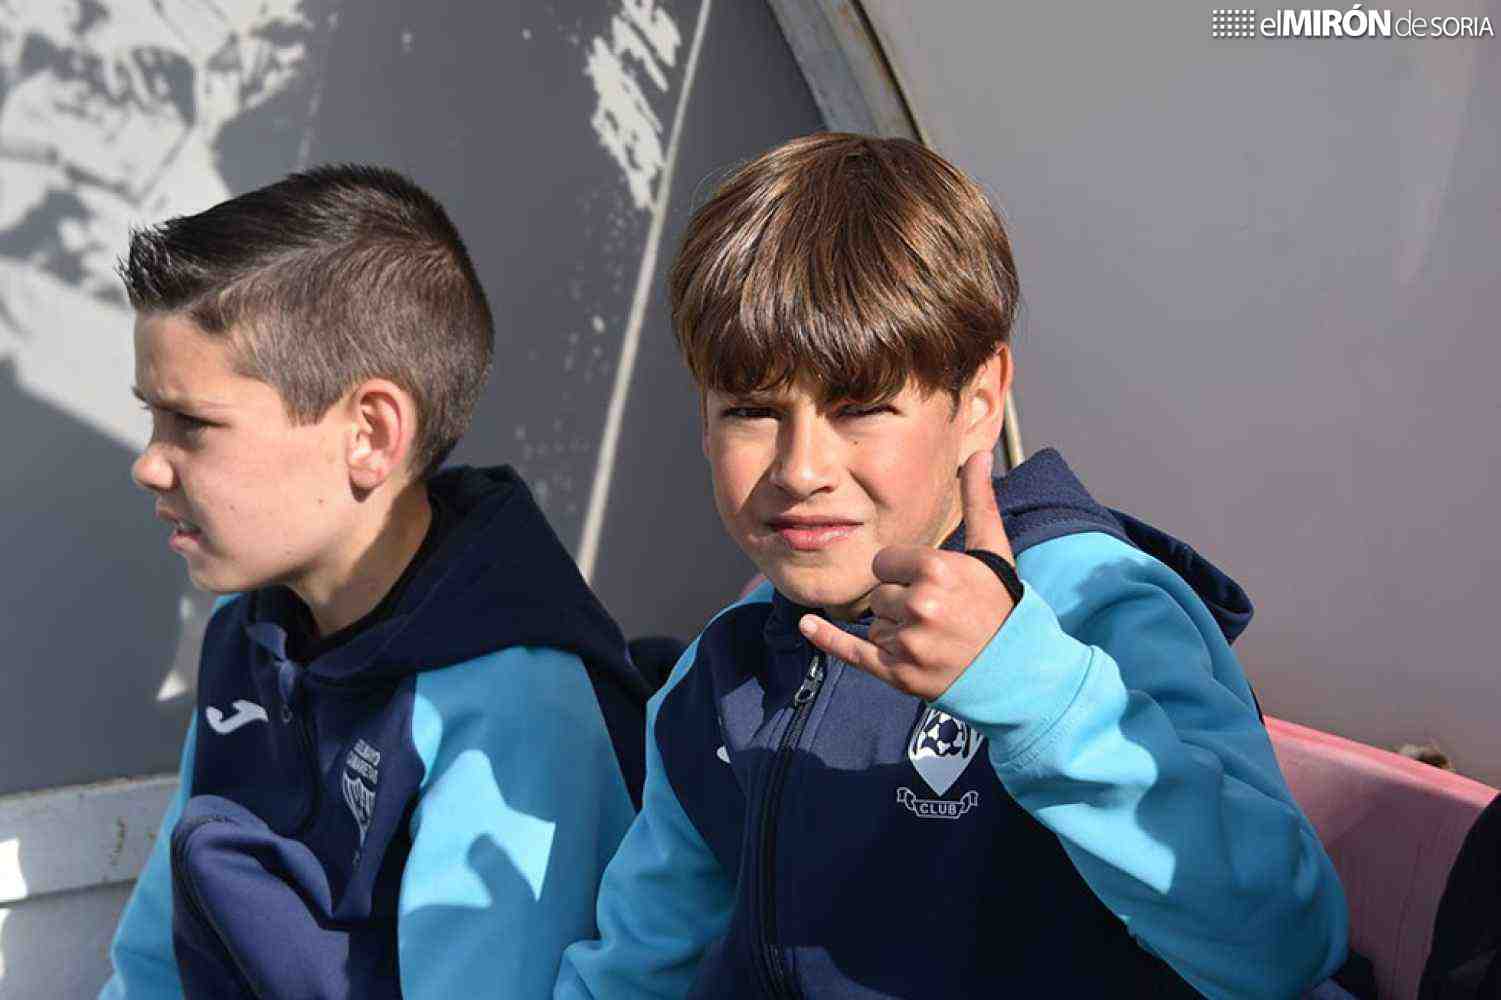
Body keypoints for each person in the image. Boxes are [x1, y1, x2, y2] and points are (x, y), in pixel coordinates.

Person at [556, 133, 1348, 998]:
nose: (799, 467)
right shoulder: (721, 673)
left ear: (976, 403)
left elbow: (1282, 944)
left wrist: (1027, 687)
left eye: (861, 406)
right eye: (751, 410)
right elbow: (636, 968)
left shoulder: (1094, 609)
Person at [101, 165, 648, 999]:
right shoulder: (250, 636)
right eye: (150, 415)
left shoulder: (513, 701)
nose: (148, 463)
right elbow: (155, 960)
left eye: (193, 425)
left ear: (370, 433)